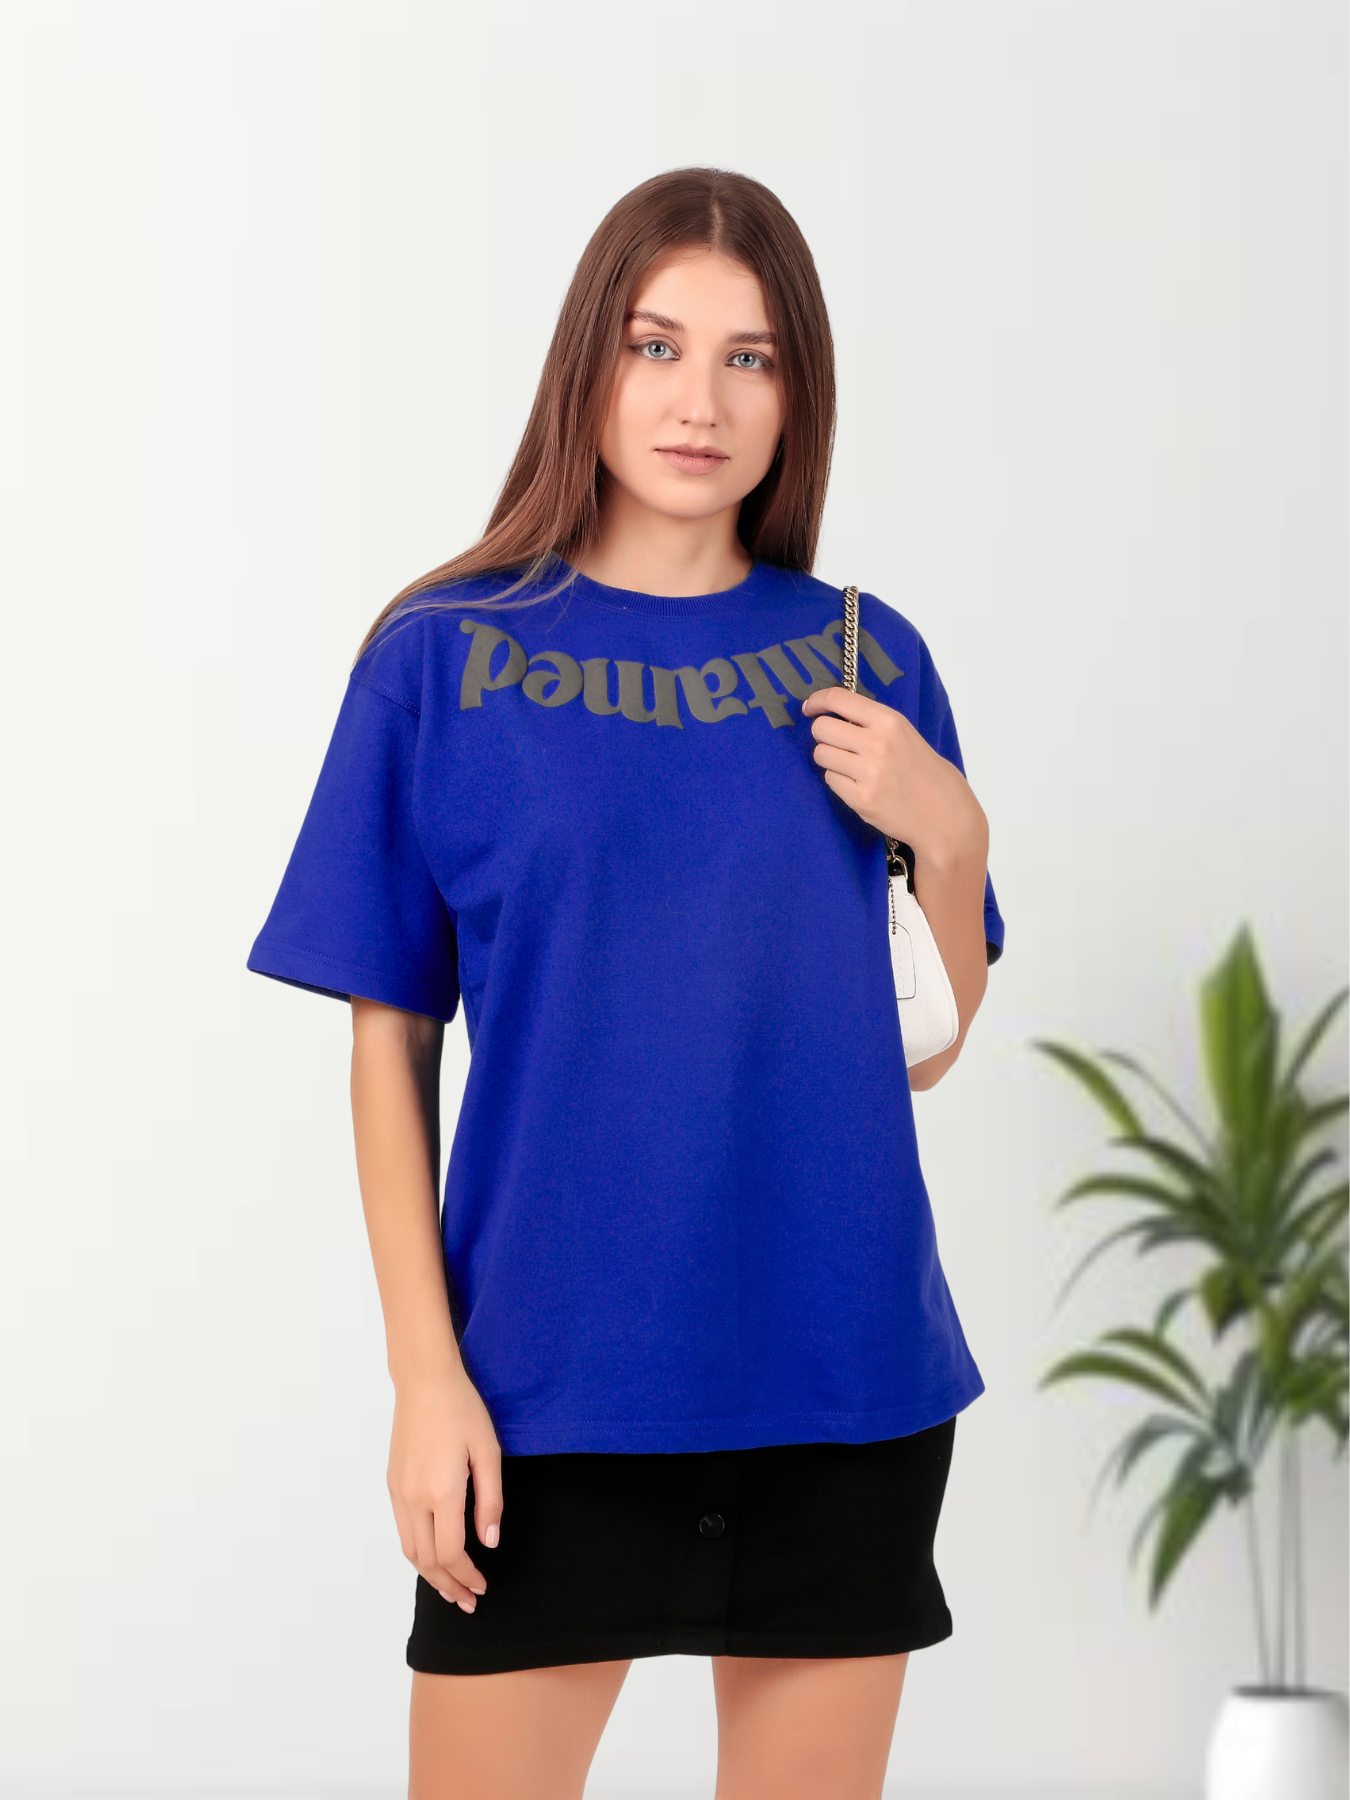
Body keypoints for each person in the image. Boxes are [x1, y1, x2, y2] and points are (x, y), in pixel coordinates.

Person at [247, 166, 1003, 1800]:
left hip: (840, 1384)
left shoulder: (870, 656)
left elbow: (918, 1051)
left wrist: (951, 836)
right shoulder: (441, 656)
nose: (697, 401)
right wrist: (425, 1376)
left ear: (796, 393)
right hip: (541, 1397)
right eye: (657, 346)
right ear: (587, 360)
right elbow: (389, 1043)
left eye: (749, 358)